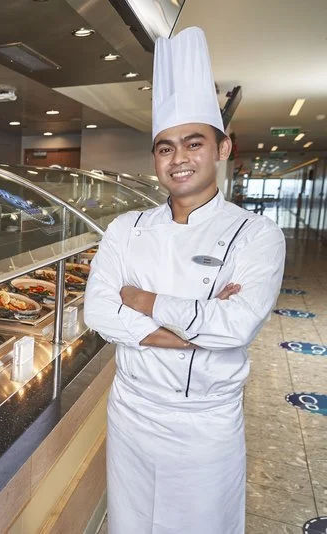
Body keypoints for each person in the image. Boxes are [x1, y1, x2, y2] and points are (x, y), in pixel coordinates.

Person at [83, 27, 285, 534]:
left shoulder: (257, 234)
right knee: (129, 524)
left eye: (193, 144)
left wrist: (141, 297)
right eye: (165, 148)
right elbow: (100, 312)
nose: (178, 159)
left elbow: (234, 328)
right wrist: (194, 327)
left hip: (205, 425)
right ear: (155, 159)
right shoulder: (126, 228)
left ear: (222, 148)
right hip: (130, 411)